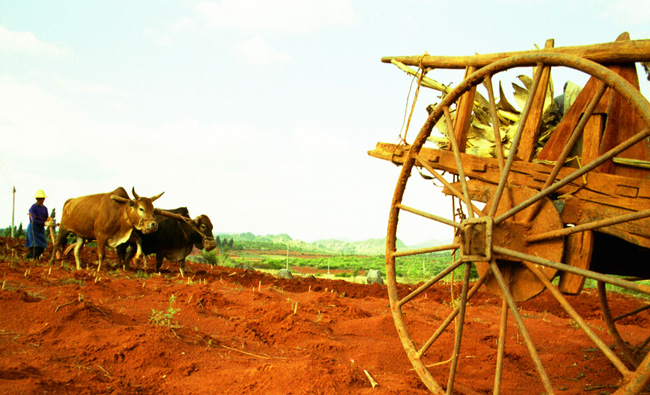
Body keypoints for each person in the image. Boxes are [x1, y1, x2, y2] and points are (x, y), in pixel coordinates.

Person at [25, 189, 51, 259]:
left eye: (42, 198)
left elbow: (45, 218)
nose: (41, 200)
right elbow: (34, 220)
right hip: (33, 229)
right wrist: (45, 223)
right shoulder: (33, 208)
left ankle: (35, 259)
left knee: (41, 248)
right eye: (40, 199)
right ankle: (29, 259)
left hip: (40, 230)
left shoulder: (45, 208)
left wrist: (48, 219)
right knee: (35, 248)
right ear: (37, 199)